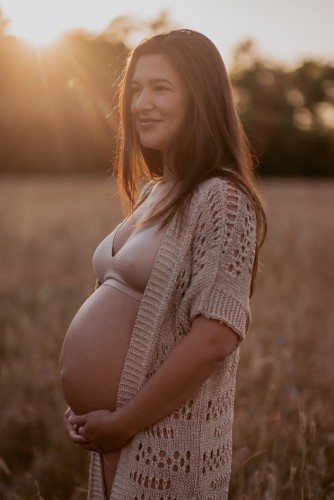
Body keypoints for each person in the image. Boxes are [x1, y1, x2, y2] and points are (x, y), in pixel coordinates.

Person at [59, 29, 266, 499]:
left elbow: (216, 336)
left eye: (161, 88)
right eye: (136, 88)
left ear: (200, 99)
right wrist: (89, 408)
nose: (141, 103)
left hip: (164, 446)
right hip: (115, 439)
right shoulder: (155, 193)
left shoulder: (222, 198)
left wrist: (123, 422)